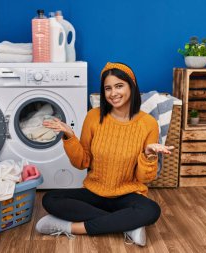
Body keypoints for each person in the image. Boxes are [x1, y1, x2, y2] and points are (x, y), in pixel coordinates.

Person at [36, 62, 174, 246]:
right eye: (108, 88)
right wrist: (69, 136)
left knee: (151, 211)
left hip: (127, 194)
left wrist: (148, 155)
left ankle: (70, 227)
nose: (113, 93)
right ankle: (128, 225)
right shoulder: (94, 116)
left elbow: (144, 178)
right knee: (50, 199)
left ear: (131, 85)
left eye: (119, 86)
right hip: (95, 193)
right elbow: (82, 162)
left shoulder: (147, 123)